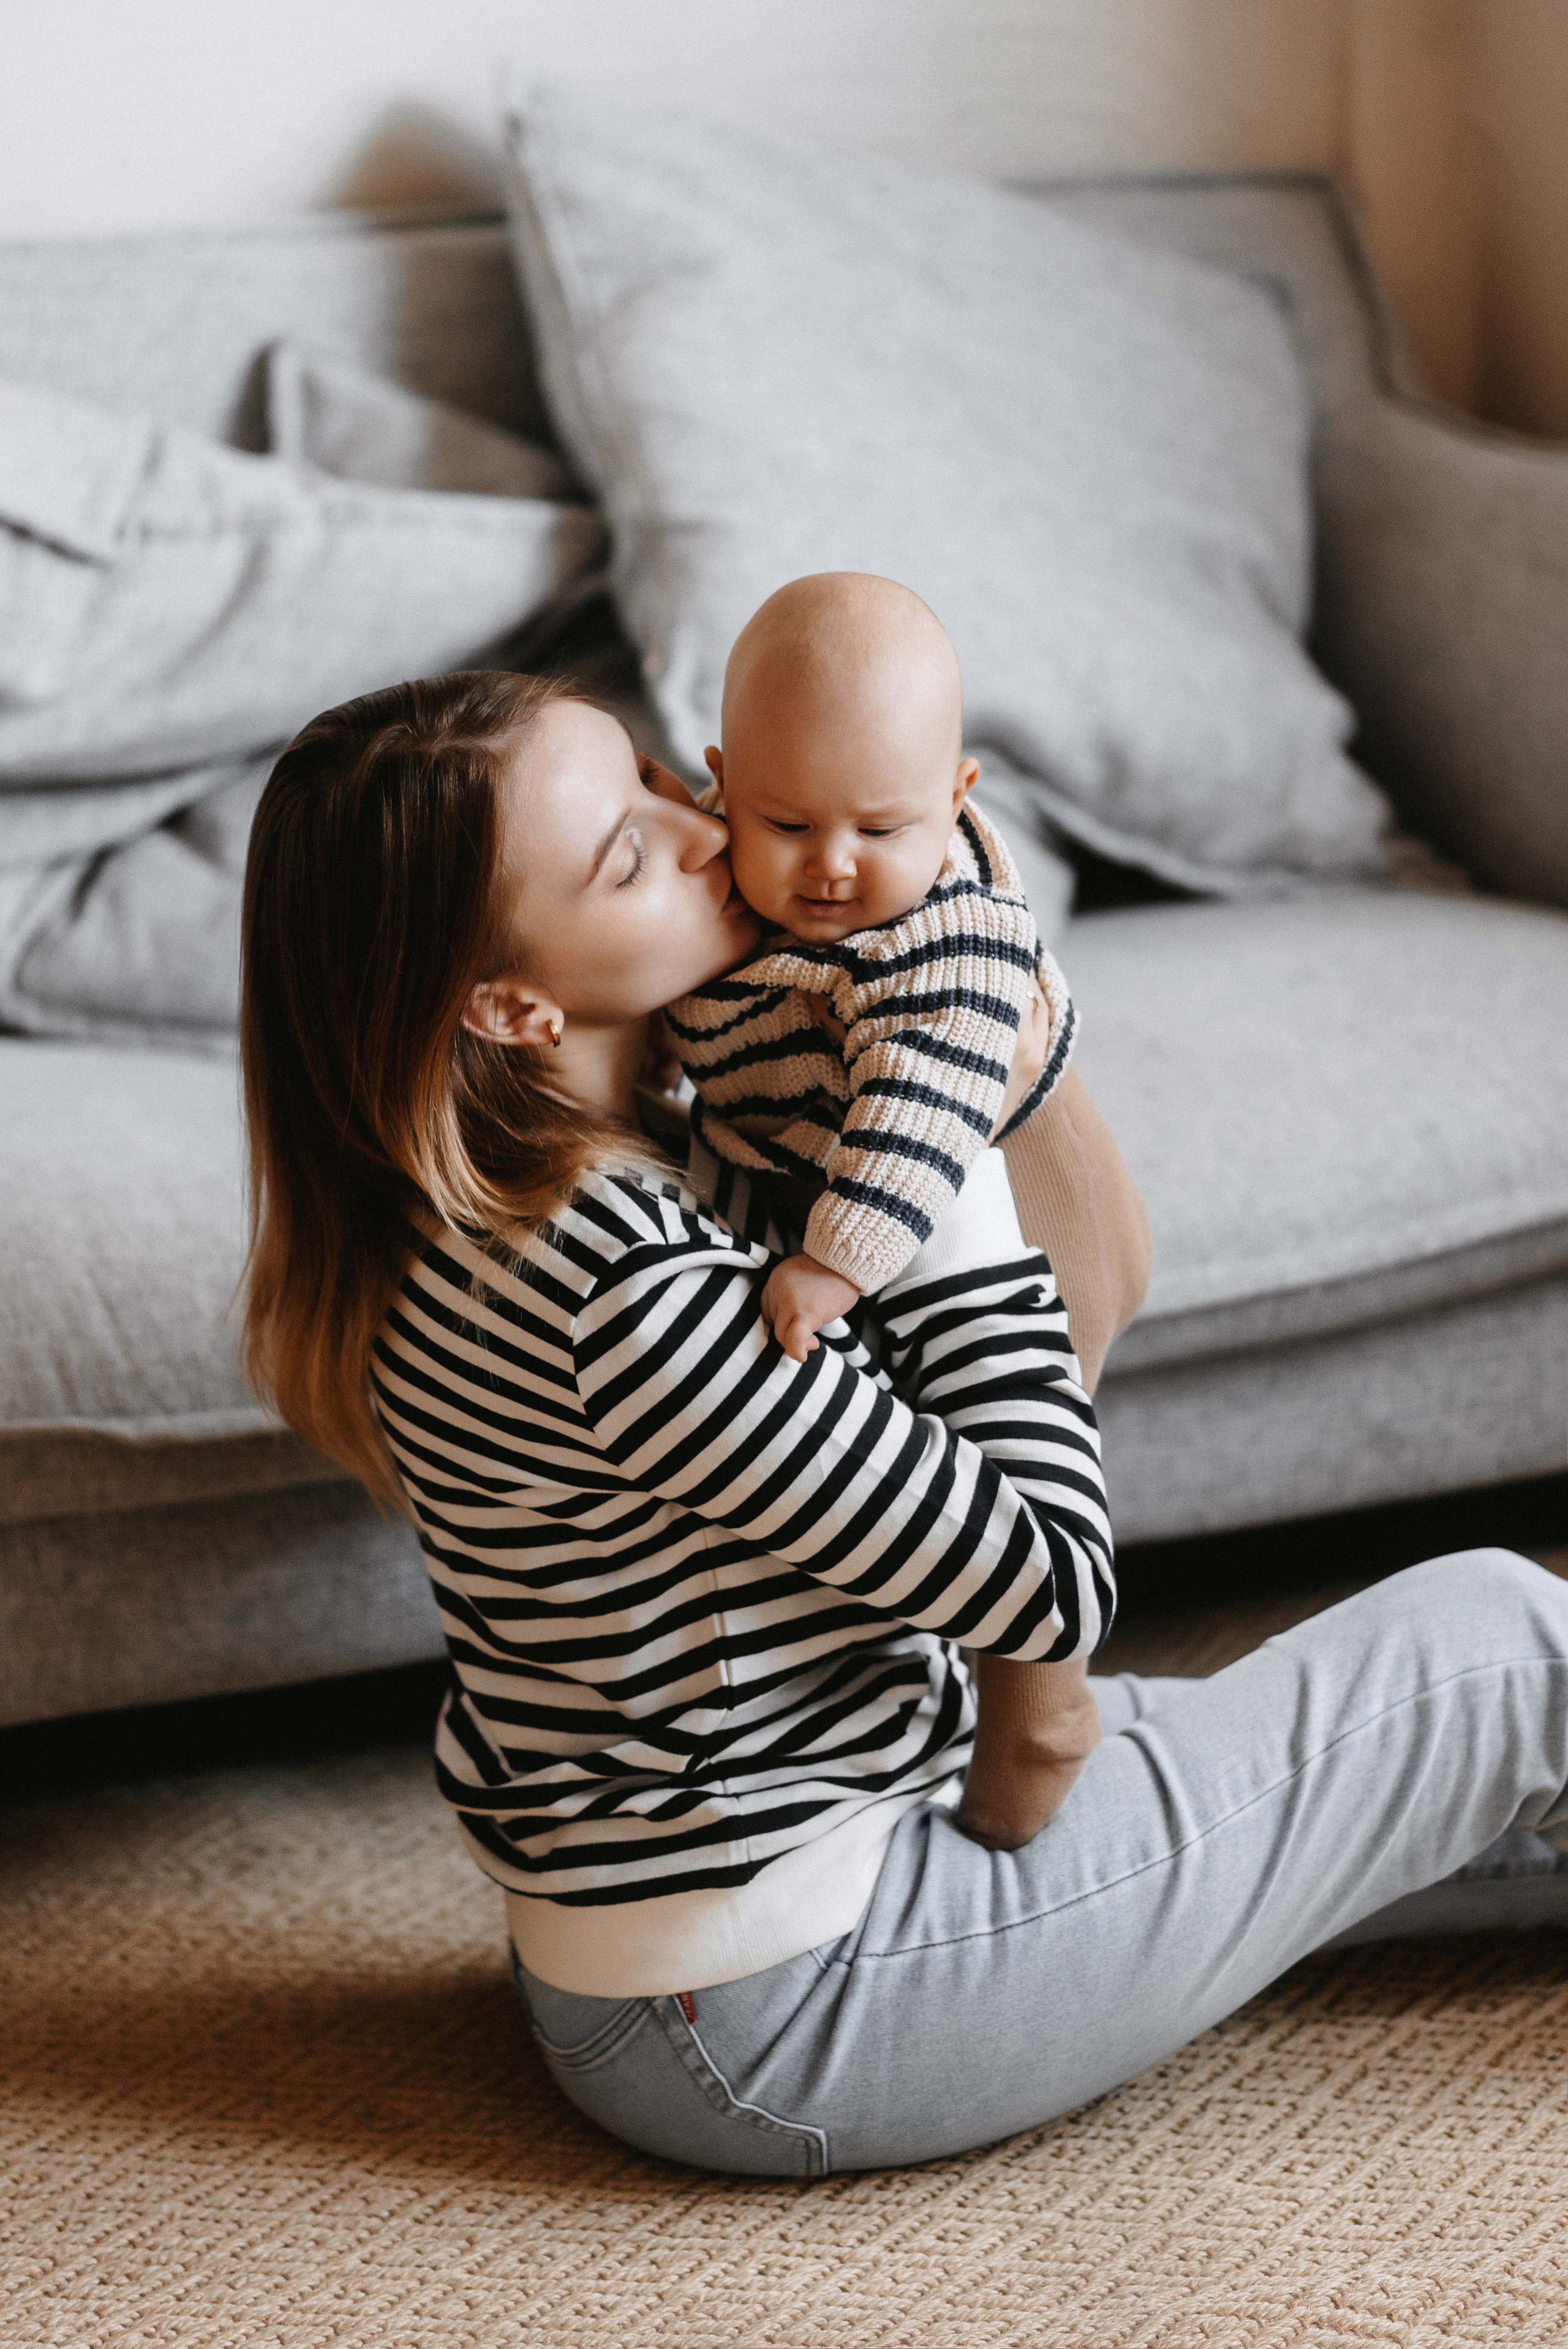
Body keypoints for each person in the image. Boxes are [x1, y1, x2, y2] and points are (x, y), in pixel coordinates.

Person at [240, 667, 1568, 2182]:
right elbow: (1047, 1583)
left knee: (1409, 1781)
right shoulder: (621, 1279)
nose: (701, 835)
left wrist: (985, 1064)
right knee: (1504, 1645)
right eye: (622, 852)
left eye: (665, 786)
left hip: (720, 1924)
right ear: (509, 1003)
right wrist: (941, 1182)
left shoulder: (510, 1208)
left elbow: (1077, 1321)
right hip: (782, 2003)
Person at [666, 571, 1120, 1850]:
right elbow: (694, 1011)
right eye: (784, 820)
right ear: (719, 785)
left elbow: (917, 1110)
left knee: (996, 1423)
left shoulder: (942, 933)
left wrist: (838, 1259)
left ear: (955, 800)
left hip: (970, 1201)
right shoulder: (730, 862)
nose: (829, 864)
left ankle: (1041, 1706)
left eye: (879, 824)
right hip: (808, 1150)